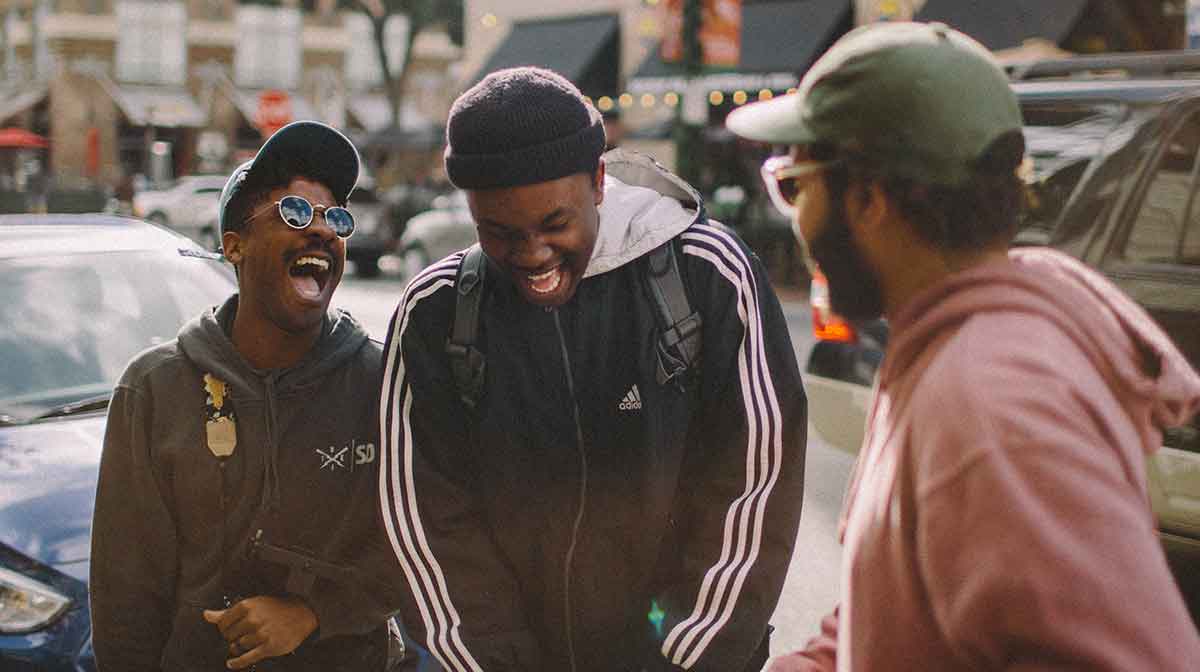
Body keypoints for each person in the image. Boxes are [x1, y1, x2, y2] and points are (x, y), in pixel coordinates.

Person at [726, 21, 1200, 671]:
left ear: (869, 198)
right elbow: (912, 594)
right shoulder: (953, 354)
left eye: (795, 186)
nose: (799, 223)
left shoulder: (989, 404)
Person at [379, 67, 807, 672]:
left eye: (555, 224)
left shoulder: (708, 274)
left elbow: (754, 488)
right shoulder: (435, 311)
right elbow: (425, 523)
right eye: (498, 232)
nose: (532, 255)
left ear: (599, 182)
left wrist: (684, 660)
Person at [91, 121, 399, 671]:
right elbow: (125, 600)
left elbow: (426, 551)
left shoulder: (382, 381)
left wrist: (313, 613)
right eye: (296, 214)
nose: (323, 232)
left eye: (336, 218)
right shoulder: (154, 390)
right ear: (235, 246)